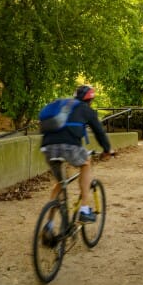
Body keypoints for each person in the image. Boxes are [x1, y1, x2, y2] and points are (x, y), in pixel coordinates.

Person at [40, 84, 115, 223]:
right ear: (90, 100)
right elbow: (99, 132)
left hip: (47, 147)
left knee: (61, 183)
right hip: (69, 146)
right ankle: (84, 210)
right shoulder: (86, 110)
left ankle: (48, 225)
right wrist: (107, 150)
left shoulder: (63, 106)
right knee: (86, 163)